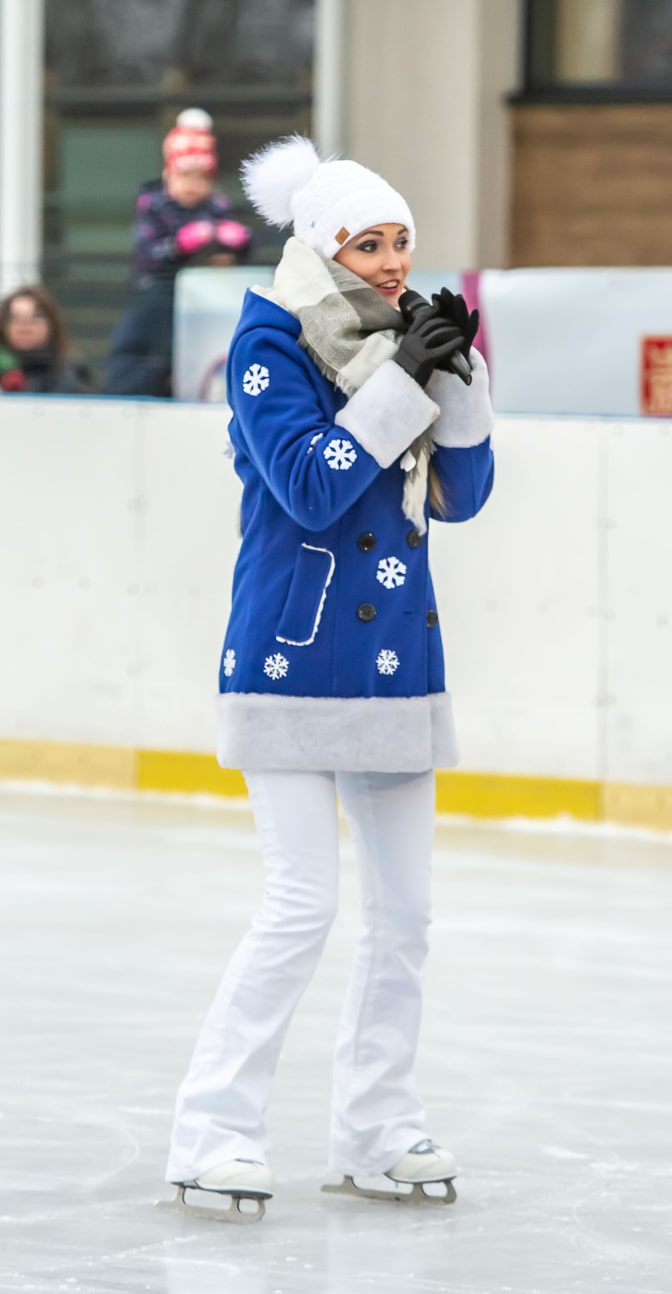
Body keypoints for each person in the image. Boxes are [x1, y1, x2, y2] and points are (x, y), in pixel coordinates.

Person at [162, 135, 495, 1220]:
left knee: (404, 913)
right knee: (301, 903)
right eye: (369, 242)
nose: (394, 261)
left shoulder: (402, 338)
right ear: (323, 246)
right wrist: (403, 379)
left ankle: (374, 1126)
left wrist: (460, 380)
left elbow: (459, 497)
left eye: (400, 240)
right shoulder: (269, 347)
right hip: (291, 659)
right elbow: (309, 485)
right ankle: (211, 1129)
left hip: (396, 659)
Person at [104, 108, 252, 397]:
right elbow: (146, 255)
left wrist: (240, 241)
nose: (192, 185)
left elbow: (239, 255)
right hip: (159, 308)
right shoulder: (154, 205)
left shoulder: (218, 208)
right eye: (184, 175)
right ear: (168, 174)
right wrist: (178, 245)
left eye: (200, 177)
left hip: (206, 310)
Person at [0, 284, 91, 394]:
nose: (24, 325)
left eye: (35, 317)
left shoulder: (74, 375)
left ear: (51, 323)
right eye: (14, 318)